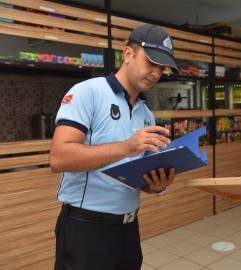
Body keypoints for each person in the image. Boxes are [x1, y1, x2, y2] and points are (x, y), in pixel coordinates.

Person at [49, 24, 179, 270]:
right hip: (85, 230)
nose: (156, 73)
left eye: (162, 68)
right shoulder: (88, 93)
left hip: (129, 229)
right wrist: (127, 147)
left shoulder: (147, 115)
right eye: (151, 62)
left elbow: (137, 177)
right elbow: (58, 158)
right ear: (128, 55)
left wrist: (156, 186)